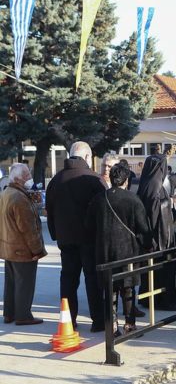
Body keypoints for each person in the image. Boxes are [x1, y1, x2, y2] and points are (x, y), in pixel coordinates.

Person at [86, 164, 153, 335]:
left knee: (110, 290)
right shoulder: (133, 199)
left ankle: (112, 325)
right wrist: (147, 245)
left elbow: (89, 227)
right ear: (126, 180)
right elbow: (143, 228)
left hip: (104, 251)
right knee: (128, 288)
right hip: (127, 252)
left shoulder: (99, 198)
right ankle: (130, 324)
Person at [46, 141, 106, 331]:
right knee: (92, 279)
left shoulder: (56, 180)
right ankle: (98, 321)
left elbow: (50, 210)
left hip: (66, 239)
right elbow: (104, 210)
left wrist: (56, 234)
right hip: (90, 239)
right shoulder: (93, 179)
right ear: (87, 157)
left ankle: (68, 320)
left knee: (68, 280)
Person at [0, 163, 46, 325]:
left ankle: (9, 314)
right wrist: (37, 250)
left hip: (9, 248)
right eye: (27, 175)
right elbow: (28, 229)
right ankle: (23, 316)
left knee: (11, 283)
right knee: (24, 283)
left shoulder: (7, 193)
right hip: (22, 249)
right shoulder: (19, 198)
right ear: (18, 179)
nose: (30, 178)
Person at [137, 144, 176, 310]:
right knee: (162, 271)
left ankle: (147, 299)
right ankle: (163, 301)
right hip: (160, 237)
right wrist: (169, 203)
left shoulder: (146, 182)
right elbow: (156, 211)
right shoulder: (155, 186)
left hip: (151, 237)